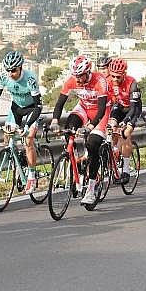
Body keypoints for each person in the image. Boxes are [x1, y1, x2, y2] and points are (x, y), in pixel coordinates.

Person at [50, 55, 110, 205]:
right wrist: (55, 120)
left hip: (100, 112)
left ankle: (91, 190)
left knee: (93, 143)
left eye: (80, 76)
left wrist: (90, 126)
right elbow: (60, 103)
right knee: (69, 129)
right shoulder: (72, 80)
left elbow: (101, 109)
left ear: (88, 72)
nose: (77, 79)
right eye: (75, 75)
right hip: (83, 107)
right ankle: (77, 162)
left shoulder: (100, 80)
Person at [0, 50, 44, 193]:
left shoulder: (30, 79)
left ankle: (31, 176)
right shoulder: (4, 77)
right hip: (16, 108)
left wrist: (27, 125)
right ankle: (18, 165)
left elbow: (38, 106)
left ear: (20, 67)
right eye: (8, 70)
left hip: (32, 109)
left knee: (28, 140)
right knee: (8, 136)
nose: (10, 73)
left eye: (14, 70)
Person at [104, 58, 142, 183]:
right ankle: (115, 155)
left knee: (125, 134)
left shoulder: (132, 83)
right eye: (113, 76)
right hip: (119, 107)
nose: (115, 79)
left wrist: (125, 122)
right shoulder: (108, 82)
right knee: (111, 129)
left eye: (118, 77)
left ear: (124, 74)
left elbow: (133, 108)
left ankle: (126, 170)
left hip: (132, 109)